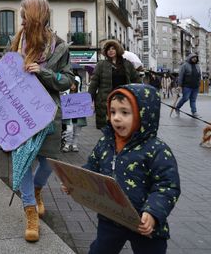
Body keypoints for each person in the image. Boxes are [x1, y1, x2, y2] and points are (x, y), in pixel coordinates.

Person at [0, 0, 74, 242]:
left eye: (24, 15)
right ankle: (30, 210)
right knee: (23, 161)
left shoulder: (60, 47)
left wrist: (42, 71)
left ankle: (35, 189)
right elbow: (2, 69)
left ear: (36, 16)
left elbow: (67, 80)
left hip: (47, 113)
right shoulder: (15, 43)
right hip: (18, 112)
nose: (21, 20)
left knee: (49, 162)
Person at [63, 84, 181, 254]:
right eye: (113, 112)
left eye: (124, 112)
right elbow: (92, 167)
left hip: (144, 223)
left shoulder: (157, 150)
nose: (116, 118)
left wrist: (153, 213)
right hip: (111, 216)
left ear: (143, 115)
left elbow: (167, 186)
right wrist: (75, 181)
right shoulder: (106, 142)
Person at [88, 39, 140, 129]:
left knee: (122, 125)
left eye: (113, 48)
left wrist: (141, 96)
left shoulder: (127, 64)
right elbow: (94, 83)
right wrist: (88, 99)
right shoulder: (101, 65)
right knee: (108, 127)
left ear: (118, 49)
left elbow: (137, 80)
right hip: (105, 101)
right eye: (108, 49)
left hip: (124, 99)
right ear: (106, 52)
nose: (110, 51)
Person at [61, 75, 87, 152]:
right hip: (69, 117)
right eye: (71, 84)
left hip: (78, 117)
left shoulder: (81, 95)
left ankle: (74, 145)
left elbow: (84, 106)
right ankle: (67, 145)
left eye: (74, 84)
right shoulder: (66, 94)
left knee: (77, 132)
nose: (73, 86)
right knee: (69, 131)